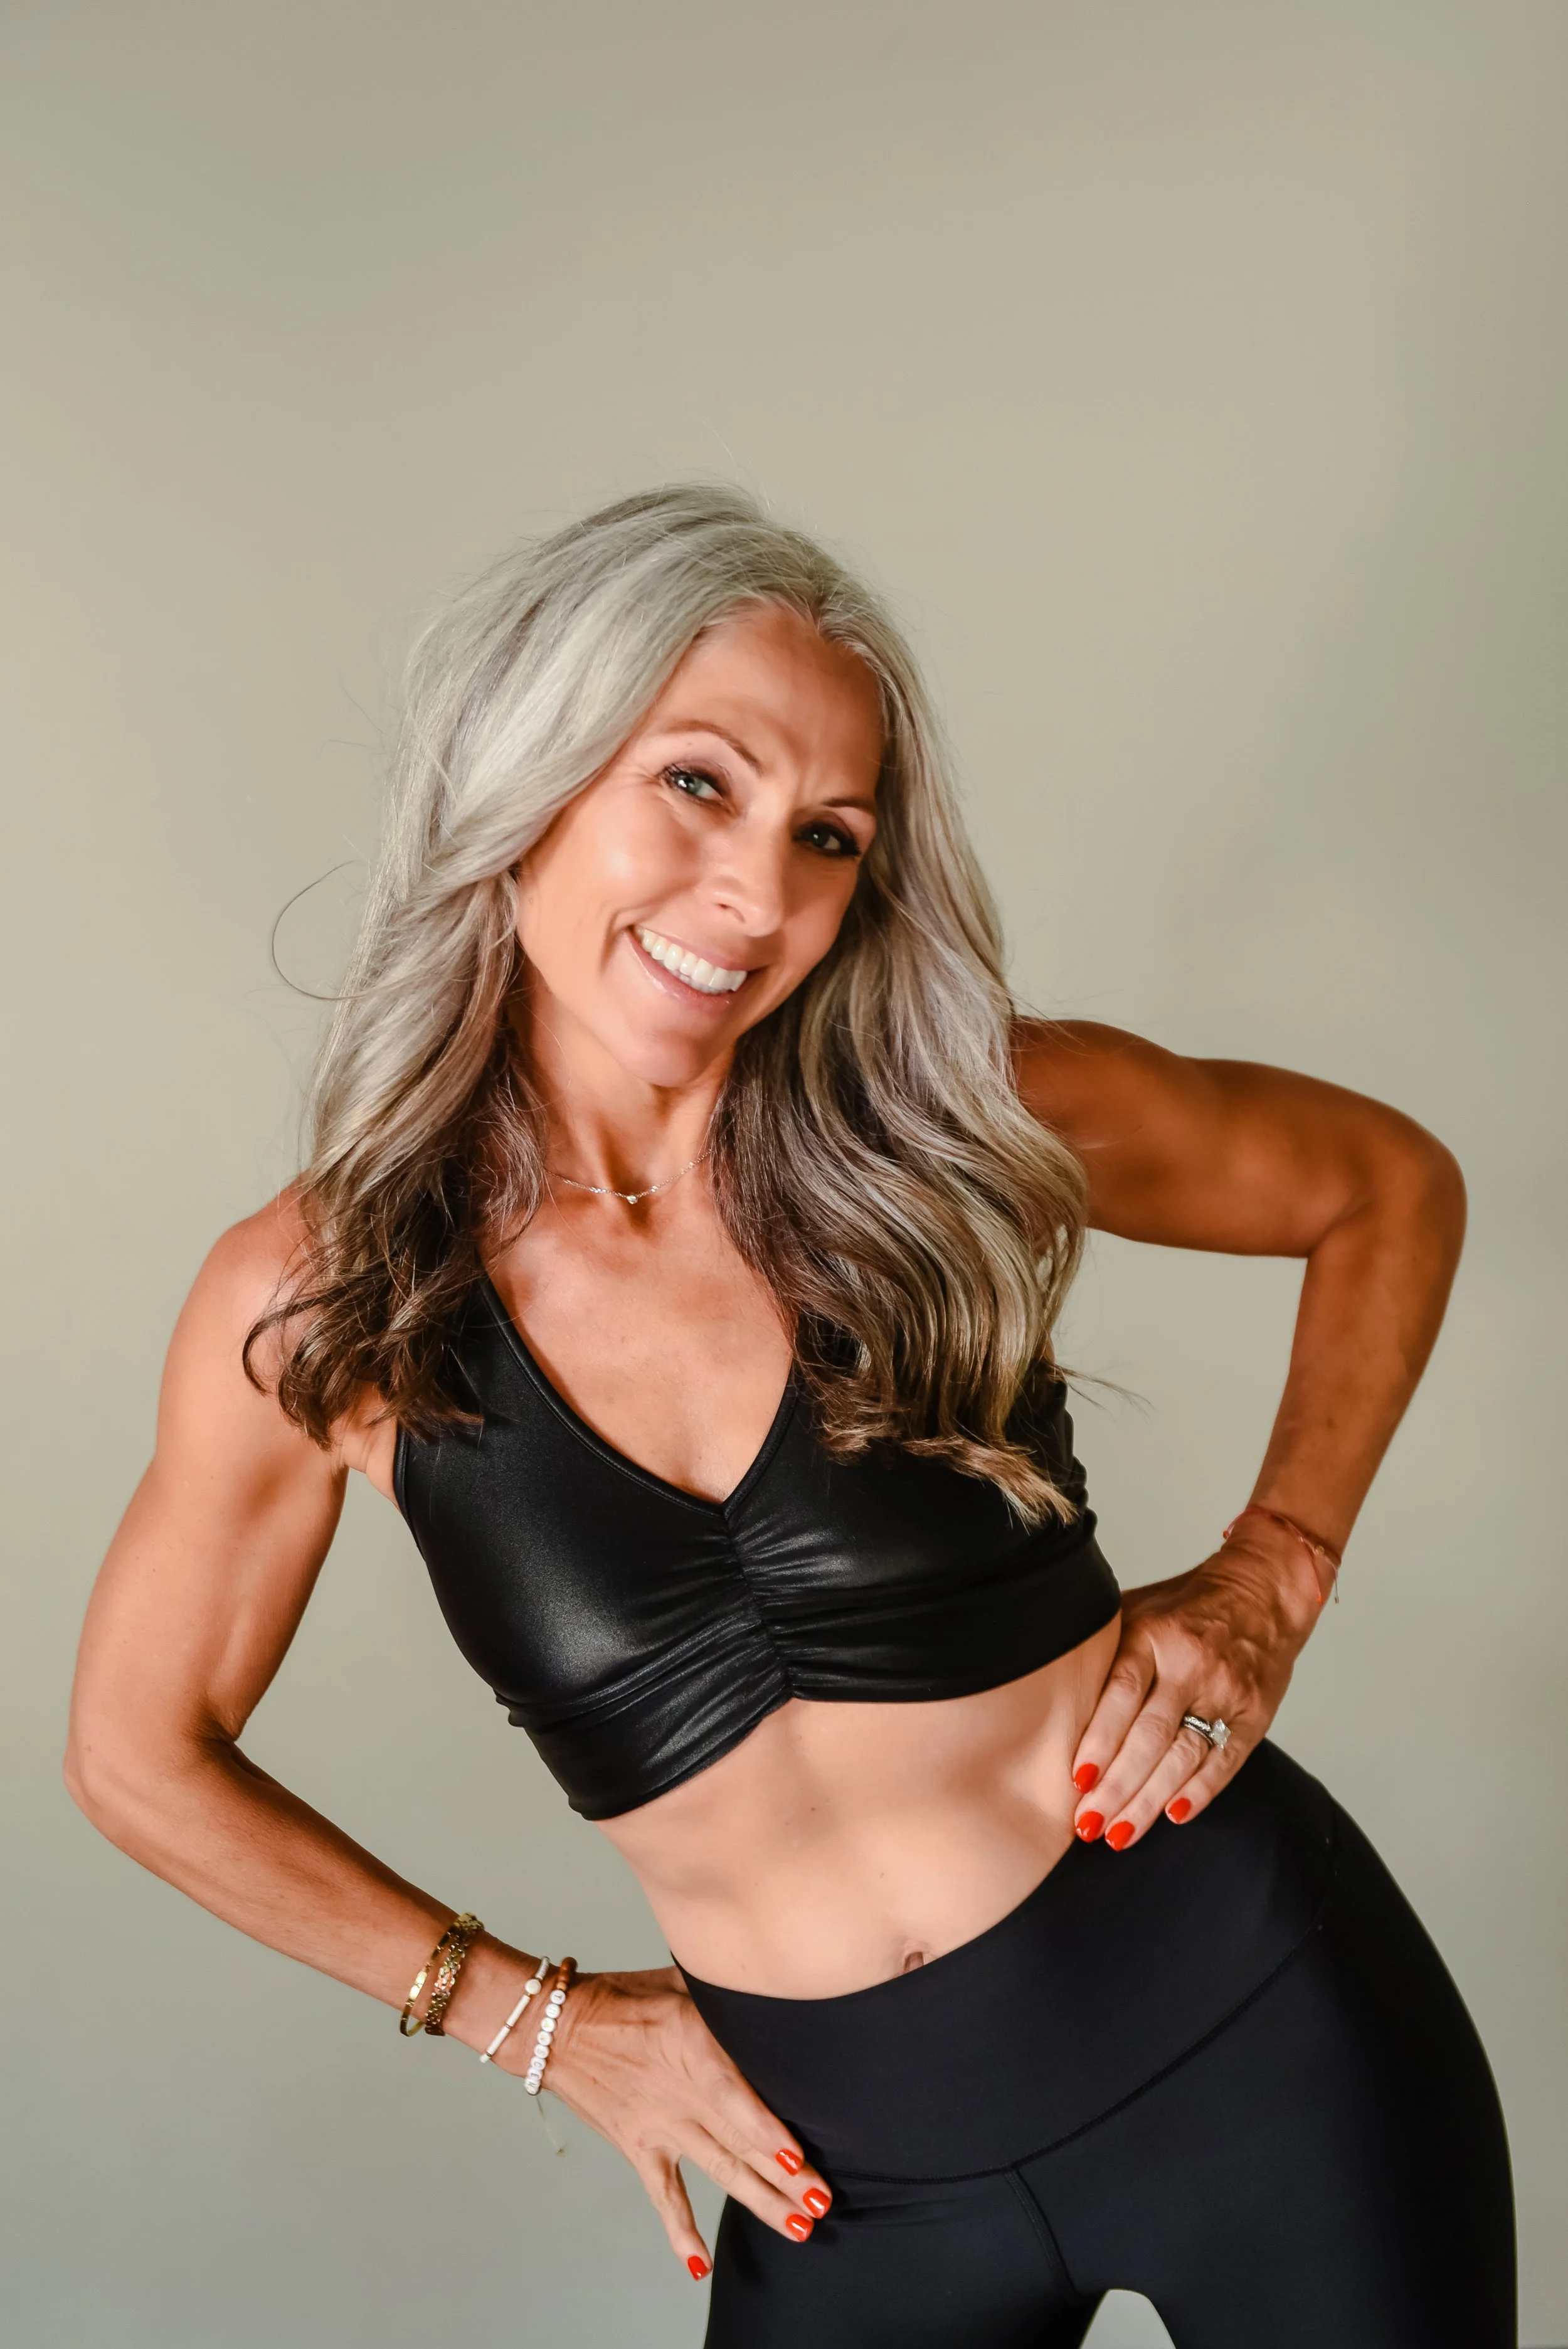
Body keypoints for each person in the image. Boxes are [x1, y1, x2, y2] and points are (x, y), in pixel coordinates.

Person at [67, 486, 1515, 2348]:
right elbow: (136, 1753)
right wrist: (535, 2018)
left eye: (825, 835)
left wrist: (1275, 1567)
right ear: (530, 783)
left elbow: (1380, 1184)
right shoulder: (323, 1297)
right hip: (842, 2176)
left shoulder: (956, 1123)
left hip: (1257, 2035)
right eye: (696, 784)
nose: (757, 896)